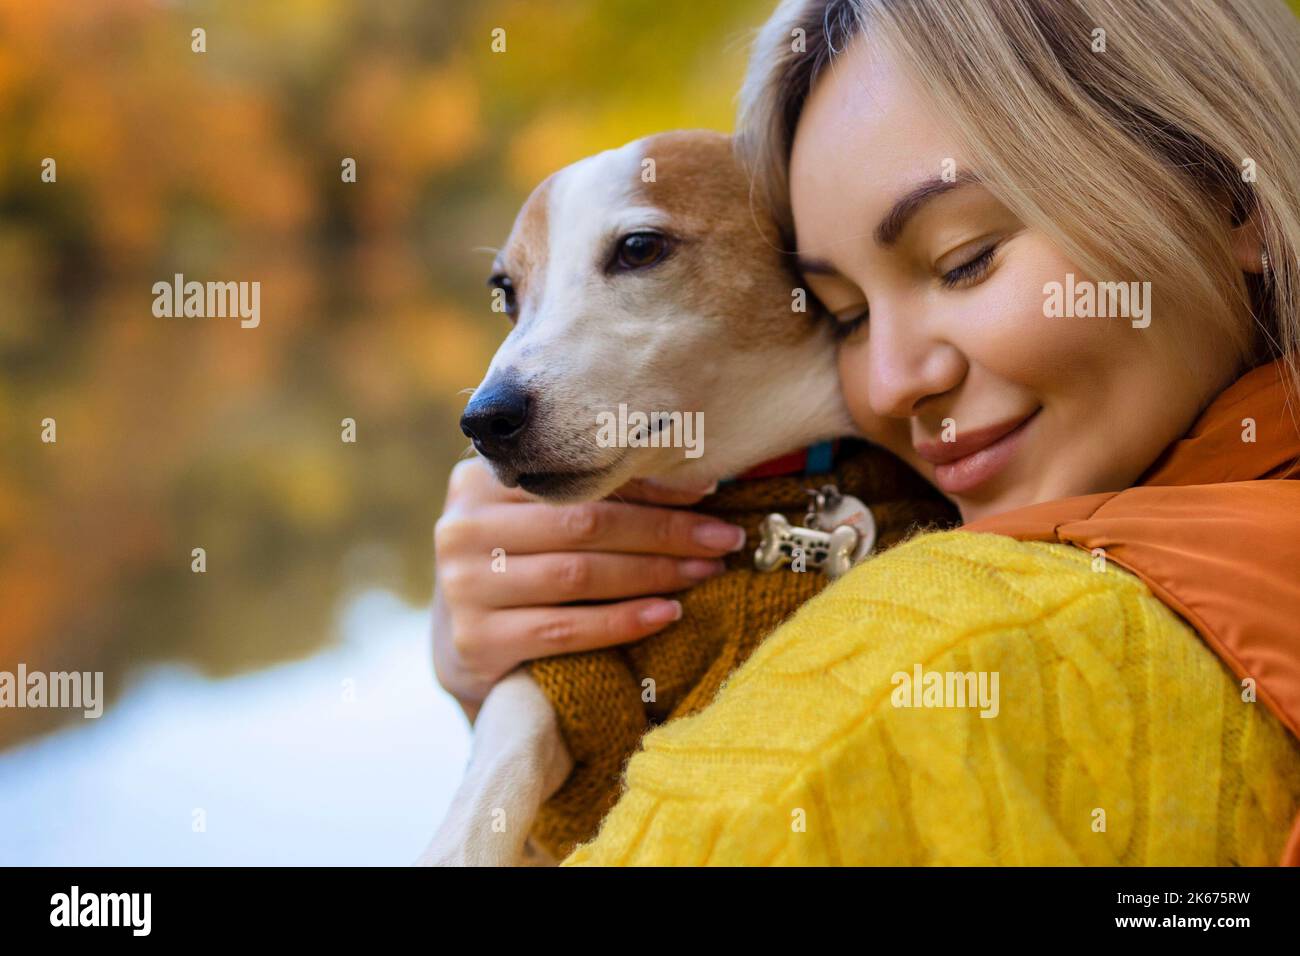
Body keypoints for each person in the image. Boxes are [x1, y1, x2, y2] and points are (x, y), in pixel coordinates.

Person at [436, 0, 1300, 865]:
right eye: (842, 315)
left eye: (966, 259)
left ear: (1233, 197)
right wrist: (540, 703)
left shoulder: (920, 667)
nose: (889, 382)